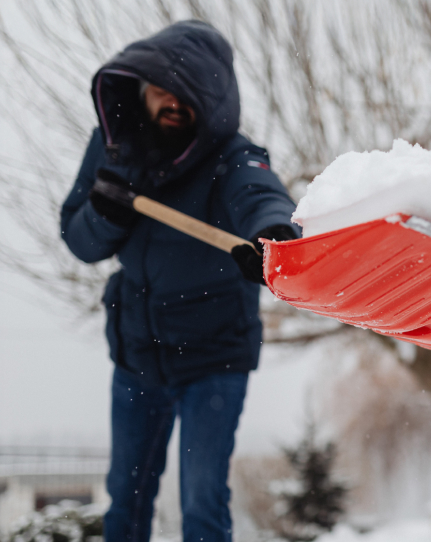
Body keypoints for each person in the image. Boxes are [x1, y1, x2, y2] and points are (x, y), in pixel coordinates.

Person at [59, 20, 299, 542]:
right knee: (127, 499)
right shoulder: (113, 147)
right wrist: (107, 213)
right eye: (161, 87)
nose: (172, 100)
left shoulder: (232, 155)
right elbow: (80, 241)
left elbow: (262, 196)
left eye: (187, 91)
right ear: (141, 88)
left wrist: (273, 235)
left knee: (202, 501)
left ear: (210, 99)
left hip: (214, 358)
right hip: (138, 353)